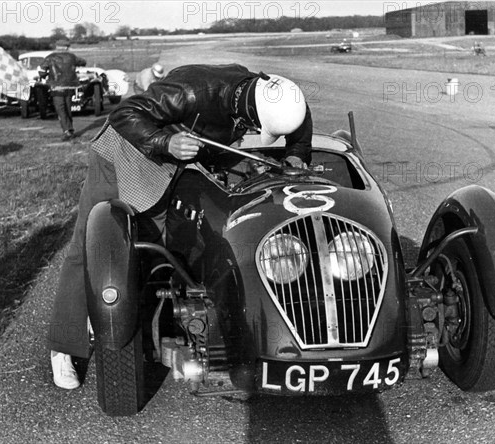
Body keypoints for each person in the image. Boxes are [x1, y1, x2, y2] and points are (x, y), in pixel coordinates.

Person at [48, 63, 312, 389]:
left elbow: (298, 119)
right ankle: (63, 347)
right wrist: (165, 143)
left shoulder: (275, 94)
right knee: (92, 245)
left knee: (158, 244)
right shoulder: (191, 89)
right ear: (250, 110)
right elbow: (124, 114)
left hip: (175, 164)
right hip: (125, 154)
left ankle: (140, 324)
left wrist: (298, 153)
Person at [39, 40, 86, 140]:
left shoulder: (50, 57)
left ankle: (67, 131)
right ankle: (70, 129)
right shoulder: (72, 57)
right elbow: (83, 62)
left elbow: (42, 72)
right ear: (66, 47)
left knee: (60, 109)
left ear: (57, 47)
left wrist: (46, 75)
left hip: (56, 87)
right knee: (68, 107)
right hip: (70, 86)